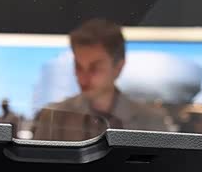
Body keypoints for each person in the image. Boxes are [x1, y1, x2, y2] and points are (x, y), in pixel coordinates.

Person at [32, 18, 167, 141]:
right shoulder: (53, 118)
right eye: (78, 66)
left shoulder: (151, 121)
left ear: (118, 67)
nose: (83, 77)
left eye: (94, 68)